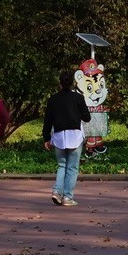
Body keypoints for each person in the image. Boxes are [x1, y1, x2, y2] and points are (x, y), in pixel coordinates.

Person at [43, 69, 92, 206]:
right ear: (72, 83)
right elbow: (87, 118)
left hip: (59, 136)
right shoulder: (78, 98)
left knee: (61, 165)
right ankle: (67, 197)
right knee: (72, 168)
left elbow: (48, 120)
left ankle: (56, 191)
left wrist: (46, 138)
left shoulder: (53, 99)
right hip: (75, 136)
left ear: (60, 83)